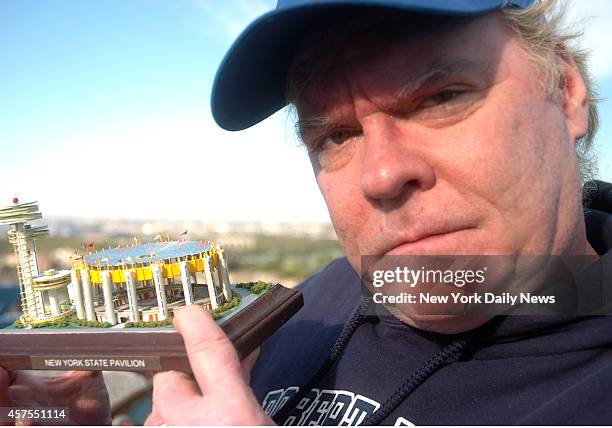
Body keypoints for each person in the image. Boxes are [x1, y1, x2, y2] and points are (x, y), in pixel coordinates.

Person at [1, 0, 611, 425]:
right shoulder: (318, 301)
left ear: (565, 89)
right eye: (335, 137)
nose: (379, 175)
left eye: (440, 97)